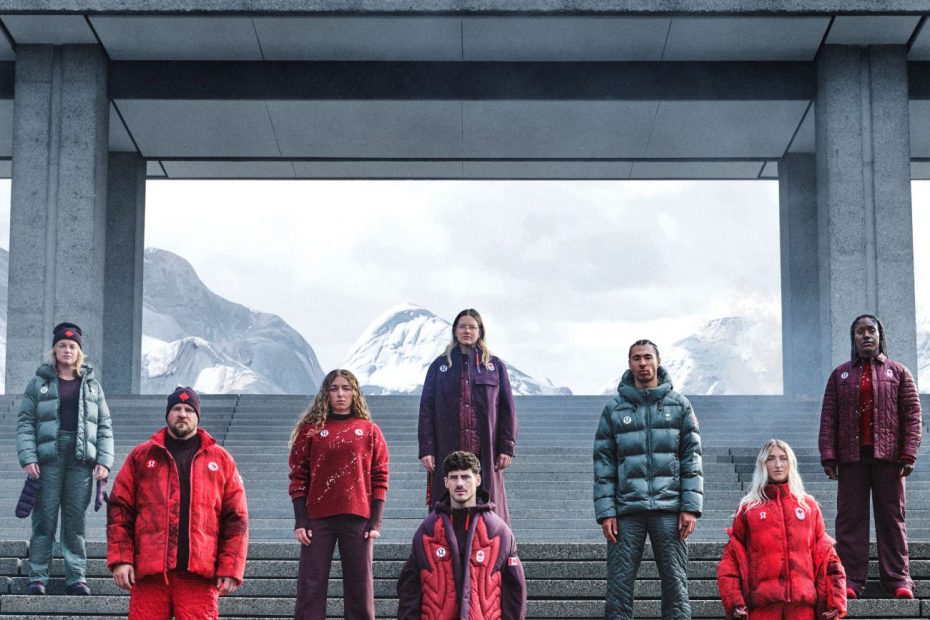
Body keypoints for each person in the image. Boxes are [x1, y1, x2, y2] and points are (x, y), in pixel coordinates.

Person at [107, 387, 248, 619]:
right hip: (151, 575)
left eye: (188, 410)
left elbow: (236, 519)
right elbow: (120, 510)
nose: (182, 414)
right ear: (167, 414)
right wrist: (121, 559)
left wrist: (231, 567)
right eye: (176, 408)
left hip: (199, 576)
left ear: (197, 416)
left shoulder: (221, 460)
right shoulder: (141, 457)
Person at [593, 339, 703, 620]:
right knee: (618, 584)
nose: (642, 363)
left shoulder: (680, 406)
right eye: (636, 358)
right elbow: (603, 463)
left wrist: (690, 507)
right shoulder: (614, 409)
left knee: (676, 584)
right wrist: (606, 512)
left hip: (669, 508)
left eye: (647, 357)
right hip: (627, 509)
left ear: (658, 361)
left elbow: (692, 459)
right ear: (629, 364)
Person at [819, 313, 922, 600]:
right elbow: (829, 417)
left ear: (880, 336)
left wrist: (908, 453)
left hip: (889, 459)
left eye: (871, 331)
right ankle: (850, 580)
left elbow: (912, 416)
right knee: (850, 520)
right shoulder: (840, 375)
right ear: (853, 338)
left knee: (892, 519)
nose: (866, 336)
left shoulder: (899, 373)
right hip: (852, 459)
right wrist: (829, 455)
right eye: (860, 332)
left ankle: (899, 579)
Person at [16, 322, 114, 595]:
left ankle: (76, 577)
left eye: (72, 346)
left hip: (81, 459)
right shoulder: (38, 383)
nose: (67, 350)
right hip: (48, 457)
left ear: (79, 350)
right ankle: (37, 577)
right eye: (62, 345)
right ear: (54, 350)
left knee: (75, 521)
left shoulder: (92, 385)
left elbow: (104, 425)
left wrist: (104, 461)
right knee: (44, 520)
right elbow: (25, 422)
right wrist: (28, 456)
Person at [288, 369, 390, 620]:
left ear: (355, 393)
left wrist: (375, 520)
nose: (341, 394)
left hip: (358, 518)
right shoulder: (311, 430)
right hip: (317, 519)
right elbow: (298, 476)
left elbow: (380, 475)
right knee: (310, 585)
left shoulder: (369, 430)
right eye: (334, 388)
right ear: (326, 393)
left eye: (346, 388)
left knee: (360, 585)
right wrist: (301, 520)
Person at [717, 439, 847, 620]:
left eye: (783, 458)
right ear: (762, 464)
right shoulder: (749, 508)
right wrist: (734, 602)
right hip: (762, 609)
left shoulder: (809, 506)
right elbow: (731, 561)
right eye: (771, 459)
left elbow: (829, 560)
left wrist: (836, 601)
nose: (778, 464)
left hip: (803, 609)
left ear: (791, 463)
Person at [397, 450, 527, 620]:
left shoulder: (499, 532)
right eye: (454, 477)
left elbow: (515, 591)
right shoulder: (426, 531)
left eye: (466, 477)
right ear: (445, 482)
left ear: (478, 480)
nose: (459, 484)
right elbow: (409, 590)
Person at [419, 308, 517, 524]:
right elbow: (426, 409)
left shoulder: (494, 367)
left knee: (489, 510)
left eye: (472, 327)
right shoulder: (439, 367)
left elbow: (506, 409)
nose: (467, 331)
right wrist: (426, 449)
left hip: (485, 452)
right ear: (455, 331)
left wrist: (506, 447)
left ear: (480, 331)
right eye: (462, 326)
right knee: (445, 508)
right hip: (448, 450)